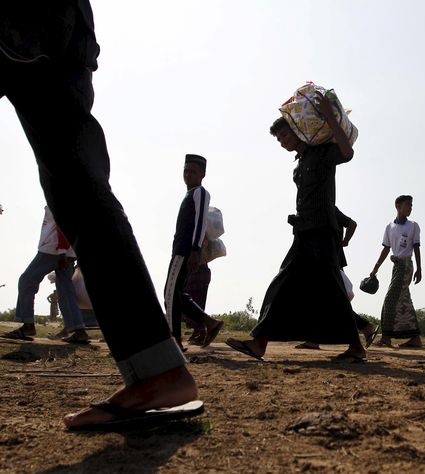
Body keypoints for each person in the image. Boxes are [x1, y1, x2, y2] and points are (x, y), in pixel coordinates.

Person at [0, 2, 199, 429]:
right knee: (76, 184)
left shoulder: (199, 198)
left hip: (30, 21)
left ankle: (156, 369)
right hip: (61, 25)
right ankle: (155, 369)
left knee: (77, 186)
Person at [226, 93, 367, 362]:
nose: (283, 142)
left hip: (323, 231)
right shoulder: (298, 166)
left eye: (285, 136)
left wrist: (327, 115)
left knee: (333, 289)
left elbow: (347, 152)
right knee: (284, 284)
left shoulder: (323, 153)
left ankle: (356, 347)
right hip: (304, 232)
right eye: (279, 140)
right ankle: (259, 343)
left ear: (299, 131)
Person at [295, 207, 379, 351]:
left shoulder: (328, 208)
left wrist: (344, 241)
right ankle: (315, 339)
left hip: (330, 261)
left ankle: (364, 328)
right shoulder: (316, 209)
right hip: (322, 260)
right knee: (324, 301)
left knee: (331, 301)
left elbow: (352, 224)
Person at [1, 207, 89, 344]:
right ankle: (79, 331)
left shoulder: (58, 192)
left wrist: (61, 251)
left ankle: (27, 325)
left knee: (26, 281)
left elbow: (63, 222)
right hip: (67, 251)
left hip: (54, 250)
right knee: (66, 291)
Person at [163, 154, 224, 350]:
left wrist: (195, 250)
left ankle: (175, 340)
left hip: (185, 251)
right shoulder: (189, 194)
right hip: (180, 250)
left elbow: (200, 224)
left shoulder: (200, 193)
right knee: (177, 293)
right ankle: (209, 323)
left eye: (193, 171)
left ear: (202, 174)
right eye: (186, 171)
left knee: (170, 294)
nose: (188, 175)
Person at [369, 195, 423, 348]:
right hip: (396, 266)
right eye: (408, 205)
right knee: (404, 300)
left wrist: (419, 269)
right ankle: (415, 338)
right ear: (398, 206)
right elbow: (386, 249)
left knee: (390, 299)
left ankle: (386, 338)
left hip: (406, 266)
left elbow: (417, 247)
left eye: (411, 205)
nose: (410, 207)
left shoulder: (413, 225)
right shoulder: (389, 227)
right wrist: (375, 268)